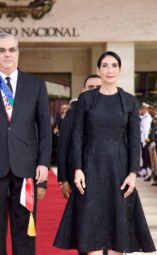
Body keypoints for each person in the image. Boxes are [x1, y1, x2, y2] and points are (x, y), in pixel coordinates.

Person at [54, 51, 156, 254]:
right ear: (99, 70)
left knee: (118, 231)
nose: (109, 70)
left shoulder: (128, 101)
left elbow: (135, 139)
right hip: (90, 169)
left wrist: (133, 174)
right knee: (90, 229)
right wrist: (78, 169)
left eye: (114, 65)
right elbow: (78, 135)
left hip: (119, 171)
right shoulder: (86, 99)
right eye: (105, 65)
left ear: (119, 70)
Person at [0, 32, 52, 255]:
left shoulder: (36, 85)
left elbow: (44, 129)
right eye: (2, 50)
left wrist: (44, 162)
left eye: (12, 49)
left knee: (24, 229)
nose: (7, 54)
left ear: (18, 53)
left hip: (26, 167)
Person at [58, 74, 101, 199]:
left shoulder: (114, 111)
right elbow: (63, 145)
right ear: (84, 90)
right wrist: (64, 180)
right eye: (90, 87)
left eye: (98, 86)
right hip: (78, 174)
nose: (94, 89)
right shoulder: (72, 113)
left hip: (105, 172)